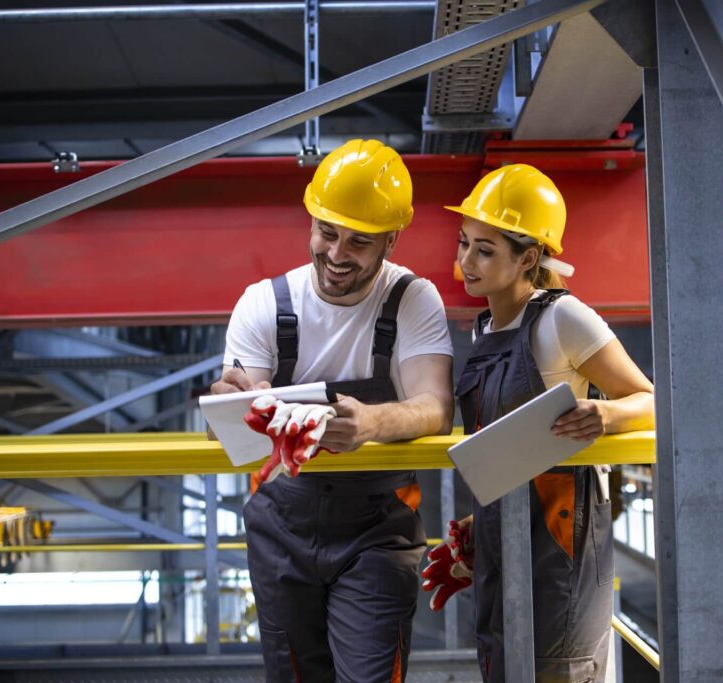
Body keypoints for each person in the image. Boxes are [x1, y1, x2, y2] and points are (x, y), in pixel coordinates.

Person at [209, 139, 455, 682]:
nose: (337, 254)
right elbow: (246, 418)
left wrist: (370, 423)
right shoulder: (264, 304)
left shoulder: (412, 300)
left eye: (360, 242)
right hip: (282, 523)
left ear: (392, 239)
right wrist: (232, 404)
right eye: (327, 232)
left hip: (377, 527)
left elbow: (436, 407)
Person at [422, 164, 655, 682]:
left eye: (484, 249)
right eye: (464, 243)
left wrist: (607, 414)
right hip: (504, 546)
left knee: (555, 670)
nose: (466, 261)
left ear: (528, 257)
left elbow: (654, 402)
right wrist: (480, 530)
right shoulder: (485, 329)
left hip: (561, 554)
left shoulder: (564, 319)